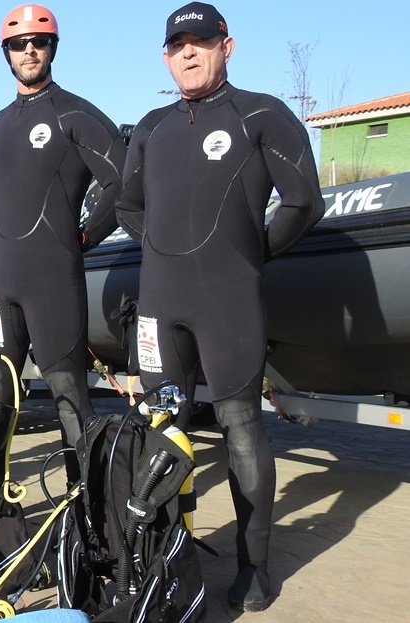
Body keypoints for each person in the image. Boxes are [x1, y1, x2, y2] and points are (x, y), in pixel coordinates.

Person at [117, 2, 324, 611]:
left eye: (199, 41)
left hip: (228, 299)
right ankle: (167, 564)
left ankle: (254, 568)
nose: (187, 52)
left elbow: (302, 202)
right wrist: (160, 248)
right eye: (176, 43)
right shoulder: (152, 126)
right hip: (159, 302)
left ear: (225, 46)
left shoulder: (260, 114)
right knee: (162, 431)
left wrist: (248, 255)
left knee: (240, 429)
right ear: (165, 56)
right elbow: (128, 206)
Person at [0, 5, 126, 480]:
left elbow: (124, 182)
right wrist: (13, 234)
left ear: (52, 48)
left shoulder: (75, 113)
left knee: (67, 395)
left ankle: (87, 520)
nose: (29, 50)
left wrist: (82, 236)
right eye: (19, 44)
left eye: (38, 42)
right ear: (7, 53)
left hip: (53, 280)